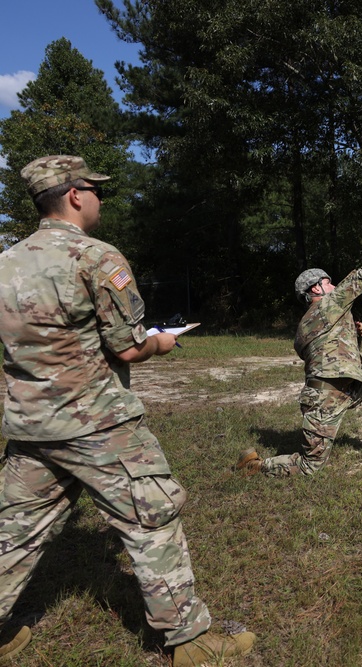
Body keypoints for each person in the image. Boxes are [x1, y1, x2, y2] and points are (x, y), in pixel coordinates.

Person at [0, 156, 254, 666]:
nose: (99, 199)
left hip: (30, 425)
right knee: (152, 518)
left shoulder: (6, 263)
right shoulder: (95, 257)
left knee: (12, 531)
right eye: (96, 191)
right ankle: (190, 639)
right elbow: (128, 348)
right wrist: (162, 342)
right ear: (75, 195)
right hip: (99, 424)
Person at [236, 235, 362, 477]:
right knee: (310, 467)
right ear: (316, 288)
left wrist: (354, 333)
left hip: (342, 389)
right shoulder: (328, 305)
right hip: (324, 399)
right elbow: (361, 277)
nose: (335, 286)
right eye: (329, 282)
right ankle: (254, 466)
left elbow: (328, 354)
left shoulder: (307, 324)